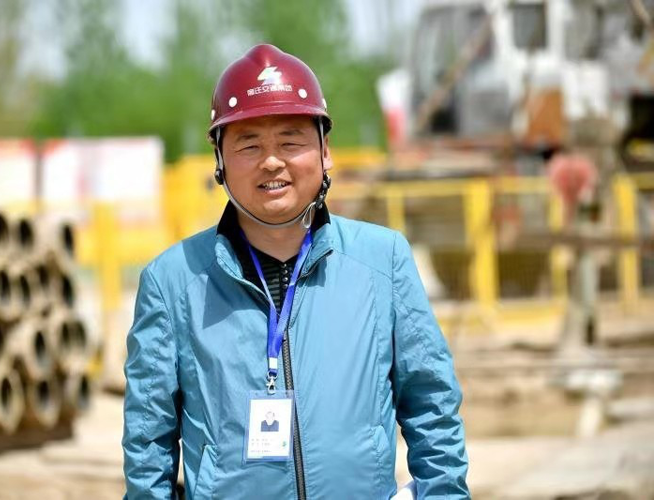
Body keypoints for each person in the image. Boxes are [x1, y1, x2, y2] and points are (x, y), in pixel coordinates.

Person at [123, 44, 469, 499]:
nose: (272, 160)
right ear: (220, 160)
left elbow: (433, 406)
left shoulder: (382, 262)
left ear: (325, 150)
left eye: (290, 141)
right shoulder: (173, 282)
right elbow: (148, 441)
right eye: (249, 144)